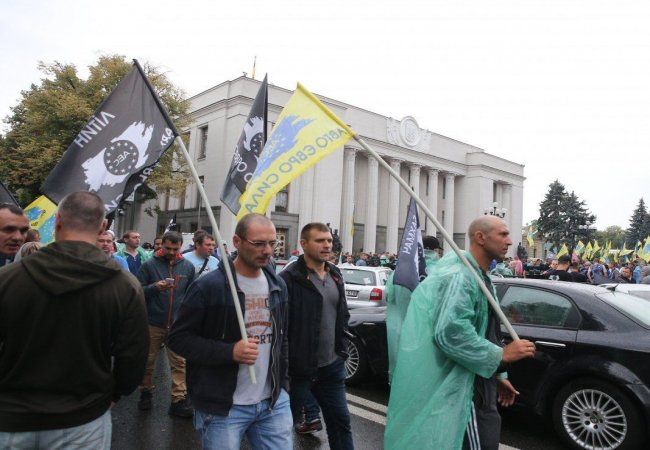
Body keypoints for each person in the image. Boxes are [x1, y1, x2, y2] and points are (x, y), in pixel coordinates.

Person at [0, 191, 149, 448]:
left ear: (57, 221)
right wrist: (115, 394)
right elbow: (134, 354)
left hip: (12, 416)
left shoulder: (9, 278)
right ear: (103, 226)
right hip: (83, 418)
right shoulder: (125, 285)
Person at [385, 216, 536, 450]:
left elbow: (485, 330)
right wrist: (500, 355)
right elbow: (449, 333)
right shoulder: (462, 277)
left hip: (480, 385)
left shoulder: (479, 276)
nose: (509, 241)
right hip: (466, 392)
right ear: (480, 237)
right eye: (503, 234)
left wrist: (499, 375)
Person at [168, 213, 292, 450]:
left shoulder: (278, 285)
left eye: (272, 243)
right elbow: (178, 338)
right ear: (237, 241)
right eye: (258, 243)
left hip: (272, 403)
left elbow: (282, 338)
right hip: (223, 406)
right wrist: (229, 352)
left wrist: (283, 385)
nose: (267, 250)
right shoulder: (209, 287)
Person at [280, 223, 353, 449]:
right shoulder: (289, 278)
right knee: (281, 429)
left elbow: (342, 314)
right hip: (298, 370)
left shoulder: (335, 274)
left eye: (329, 240)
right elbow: (281, 326)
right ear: (304, 244)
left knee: (341, 423)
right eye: (320, 240)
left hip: (331, 366)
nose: (327, 245)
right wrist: (285, 366)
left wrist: (341, 351)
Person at [137, 231, 196, 417]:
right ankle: (145, 392)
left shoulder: (187, 267)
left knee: (180, 362)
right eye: (167, 248)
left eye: (175, 249)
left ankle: (178, 400)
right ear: (161, 245)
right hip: (153, 322)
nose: (171, 252)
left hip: (177, 324)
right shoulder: (149, 265)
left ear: (180, 247)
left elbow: (192, 294)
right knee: (147, 361)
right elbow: (137, 291)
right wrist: (154, 288)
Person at [386, 235, 442, 383]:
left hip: (402, 334)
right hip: (430, 339)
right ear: (436, 250)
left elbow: (390, 297)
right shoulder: (442, 272)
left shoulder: (400, 270)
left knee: (404, 379)